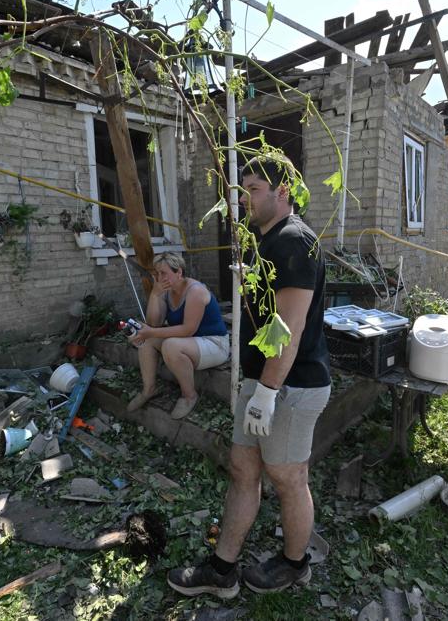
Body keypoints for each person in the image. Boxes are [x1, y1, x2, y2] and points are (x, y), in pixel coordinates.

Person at [167, 154, 331, 598]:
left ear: (283, 192)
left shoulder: (294, 241)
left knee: (287, 477)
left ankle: (296, 564)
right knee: (243, 469)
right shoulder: (264, 241)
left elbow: (289, 329)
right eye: (242, 189)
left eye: (254, 188)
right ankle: (222, 570)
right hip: (261, 382)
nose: (243, 198)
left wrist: (268, 392)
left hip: (291, 386)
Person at [126, 252, 229, 420]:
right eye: (157, 274)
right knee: (146, 339)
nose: (159, 278)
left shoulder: (195, 291)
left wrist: (150, 331)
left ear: (179, 272)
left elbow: (188, 329)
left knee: (170, 345)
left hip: (215, 343)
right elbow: (153, 323)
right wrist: (154, 294)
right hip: (189, 342)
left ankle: (189, 396)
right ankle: (149, 389)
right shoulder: (165, 291)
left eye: (164, 273)